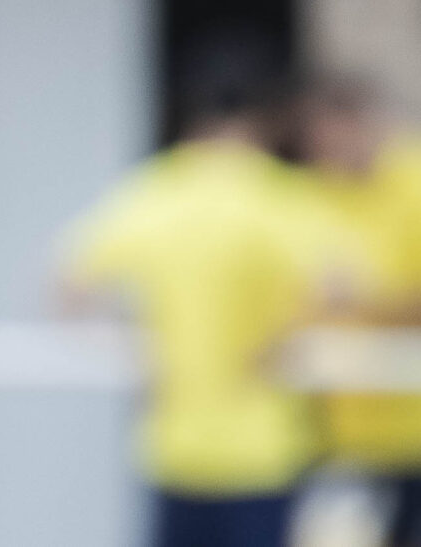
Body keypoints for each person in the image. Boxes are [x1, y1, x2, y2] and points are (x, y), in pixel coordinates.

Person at [61, 63, 353, 547]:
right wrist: (282, 341)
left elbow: (68, 288)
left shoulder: (156, 189)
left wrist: (136, 351)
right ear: (262, 123)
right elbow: (342, 287)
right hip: (262, 447)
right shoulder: (279, 195)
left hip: (174, 445)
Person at [303, 74, 421, 547]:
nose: (331, 150)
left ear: (371, 124)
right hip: (346, 436)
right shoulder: (319, 189)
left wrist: (366, 306)